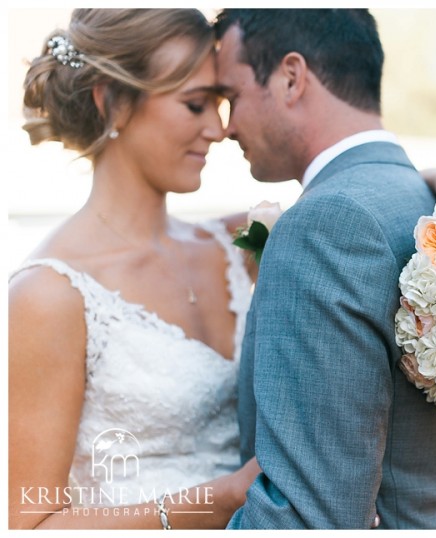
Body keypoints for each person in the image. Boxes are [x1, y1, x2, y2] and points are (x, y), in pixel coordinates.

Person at [215, 9, 436, 529]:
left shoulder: (327, 222)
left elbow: (309, 513)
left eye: (233, 95)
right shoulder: (432, 203)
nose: (227, 126)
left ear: (290, 78)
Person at [7, 8, 261, 529]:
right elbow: (29, 524)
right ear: (113, 102)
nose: (218, 128)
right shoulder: (50, 294)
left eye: (220, 103)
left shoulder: (238, 243)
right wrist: (221, 498)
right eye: (195, 105)